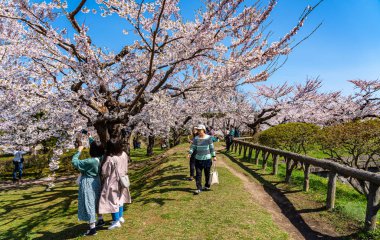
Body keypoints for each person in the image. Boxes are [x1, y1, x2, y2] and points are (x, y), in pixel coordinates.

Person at [72, 137, 104, 236]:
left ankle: (92, 229)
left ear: (92, 150)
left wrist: (79, 151)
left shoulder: (89, 161)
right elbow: (95, 145)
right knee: (96, 200)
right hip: (97, 181)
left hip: (88, 183)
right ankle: (100, 219)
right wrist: (88, 136)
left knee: (89, 202)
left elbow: (74, 162)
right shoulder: (101, 158)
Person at [98, 139, 132, 230]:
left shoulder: (110, 158)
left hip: (112, 182)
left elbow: (105, 172)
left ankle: (116, 221)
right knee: (120, 198)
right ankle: (120, 217)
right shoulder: (124, 154)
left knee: (112, 201)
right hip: (123, 179)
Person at [188, 124, 217, 195]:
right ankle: (199, 188)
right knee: (198, 174)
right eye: (198, 130)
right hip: (198, 159)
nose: (198, 132)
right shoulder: (196, 138)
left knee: (207, 174)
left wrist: (214, 156)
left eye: (200, 130)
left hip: (207, 159)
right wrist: (190, 153)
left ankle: (207, 186)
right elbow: (193, 147)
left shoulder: (208, 138)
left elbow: (211, 147)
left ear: (203, 130)